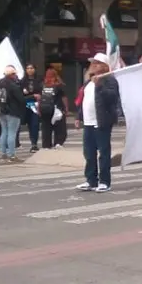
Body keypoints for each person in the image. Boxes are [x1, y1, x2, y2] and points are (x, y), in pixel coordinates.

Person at [76, 54, 119, 192]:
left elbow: (112, 97)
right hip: (88, 122)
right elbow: (84, 100)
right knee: (89, 153)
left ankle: (105, 181)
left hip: (101, 122)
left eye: (98, 63)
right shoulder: (88, 82)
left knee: (103, 152)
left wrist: (99, 85)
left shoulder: (109, 80)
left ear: (105, 66)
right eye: (93, 63)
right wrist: (79, 117)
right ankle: (91, 180)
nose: (94, 65)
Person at [0, 66, 27, 162]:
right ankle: (12, 155)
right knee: (12, 133)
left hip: (1, 111)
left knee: (4, 132)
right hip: (13, 111)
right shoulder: (13, 85)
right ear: (12, 75)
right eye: (15, 74)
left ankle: (3, 153)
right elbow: (21, 99)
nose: (16, 76)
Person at [39, 68, 67, 149]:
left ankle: (46, 145)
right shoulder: (59, 85)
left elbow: (39, 98)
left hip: (44, 109)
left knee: (46, 128)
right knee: (60, 127)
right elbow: (64, 98)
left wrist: (39, 108)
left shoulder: (42, 85)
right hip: (57, 109)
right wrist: (66, 108)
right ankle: (58, 142)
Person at [21, 63, 42, 152]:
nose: (30, 70)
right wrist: (32, 96)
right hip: (26, 105)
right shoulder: (22, 81)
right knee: (29, 124)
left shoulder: (39, 80)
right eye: (28, 68)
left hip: (36, 105)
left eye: (32, 68)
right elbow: (20, 95)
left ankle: (34, 144)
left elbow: (43, 91)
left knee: (35, 124)